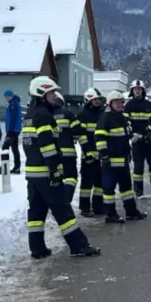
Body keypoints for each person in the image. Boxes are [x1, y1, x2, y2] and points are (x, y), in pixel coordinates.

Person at [21, 76, 100, 258]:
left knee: (36, 211)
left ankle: (37, 248)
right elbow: (47, 147)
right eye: (51, 93)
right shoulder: (44, 116)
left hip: (33, 173)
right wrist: (55, 170)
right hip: (46, 173)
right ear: (41, 94)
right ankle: (79, 246)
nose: (55, 96)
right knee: (62, 209)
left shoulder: (30, 116)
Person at [94, 89, 146, 223]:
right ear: (110, 104)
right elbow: (99, 136)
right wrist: (104, 154)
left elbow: (124, 133)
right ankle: (110, 214)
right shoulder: (105, 117)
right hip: (110, 161)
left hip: (123, 160)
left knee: (126, 189)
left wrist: (134, 136)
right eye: (116, 102)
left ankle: (131, 211)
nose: (120, 105)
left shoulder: (122, 117)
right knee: (109, 189)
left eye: (121, 102)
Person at [123, 80, 151, 198]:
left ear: (143, 90)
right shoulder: (128, 106)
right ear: (132, 91)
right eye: (135, 89)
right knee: (138, 168)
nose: (137, 91)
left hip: (150, 141)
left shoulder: (149, 105)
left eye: (139, 89)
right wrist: (132, 135)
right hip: (137, 142)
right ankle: (138, 190)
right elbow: (125, 123)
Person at [74, 88, 106, 217]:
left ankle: (98, 206)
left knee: (100, 182)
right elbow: (80, 135)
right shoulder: (83, 115)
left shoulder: (103, 113)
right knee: (87, 183)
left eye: (98, 99)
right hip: (88, 154)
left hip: (101, 153)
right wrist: (87, 151)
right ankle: (85, 207)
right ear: (88, 100)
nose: (97, 102)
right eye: (94, 100)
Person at [54, 91, 79, 199]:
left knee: (57, 177)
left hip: (53, 153)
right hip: (68, 153)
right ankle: (66, 199)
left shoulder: (45, 115)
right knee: (71, 177)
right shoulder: (68, 114)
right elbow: (78, 129)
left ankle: (57, 201)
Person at [1, 88, 23, 173]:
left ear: (12, 96)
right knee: (14, 148)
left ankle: (3, 167)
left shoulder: (13, 104)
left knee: (5, 148)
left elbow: (13, 118)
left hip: (12, 130)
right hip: (15, 130)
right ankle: (16, 167)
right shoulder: (14, 103)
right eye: (5, 97)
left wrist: (10, 131)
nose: (7, 98)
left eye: (8, 96)